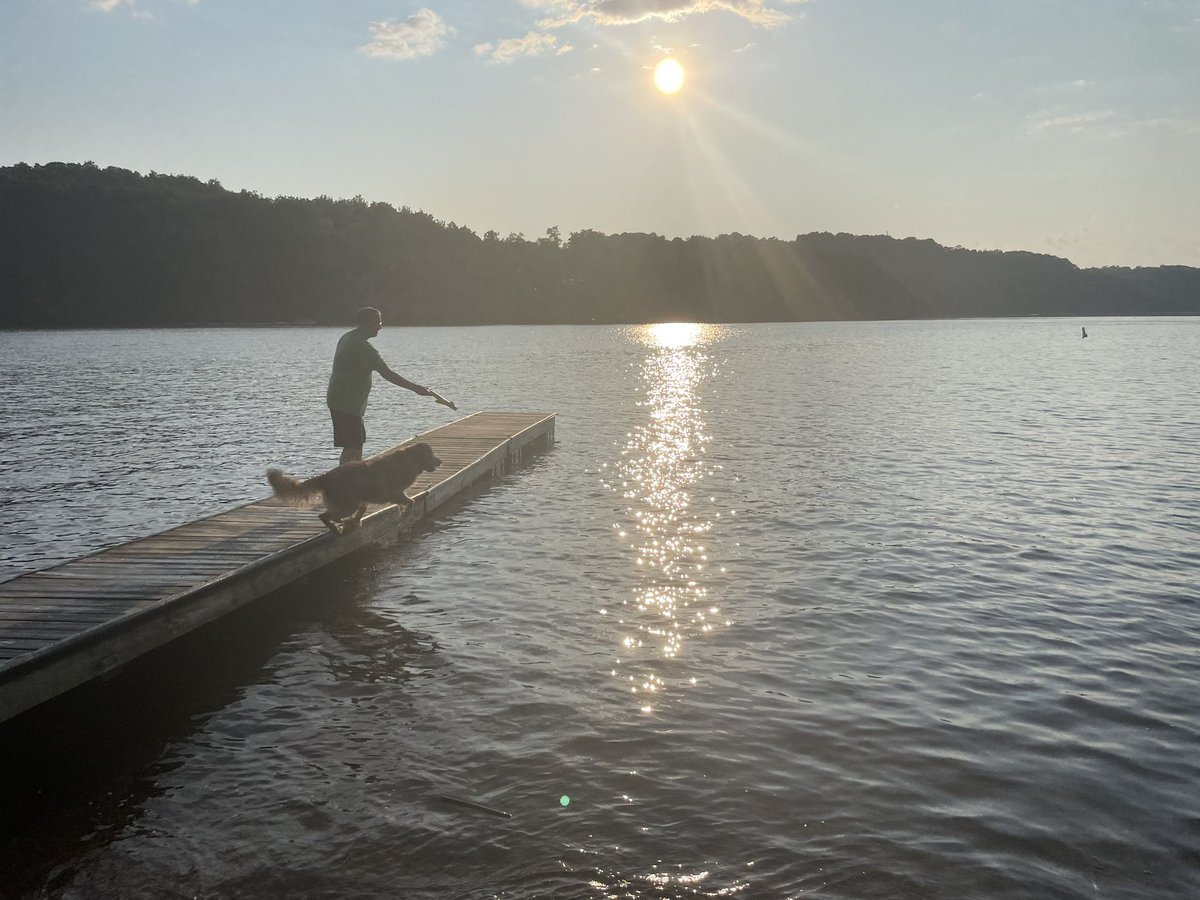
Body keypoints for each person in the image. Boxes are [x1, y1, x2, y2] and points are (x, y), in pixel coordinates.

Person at [326, 307, 432, 465]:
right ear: (364, 323)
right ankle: (342, 484)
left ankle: (354, 481)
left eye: (380, 322)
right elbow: (387, 374)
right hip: (345, 403)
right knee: (352, 447)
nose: (380, 326)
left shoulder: (349, 337)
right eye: (377, 323)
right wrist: (416, 388)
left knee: (357, 444)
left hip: (345, 402)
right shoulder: (361, 347)